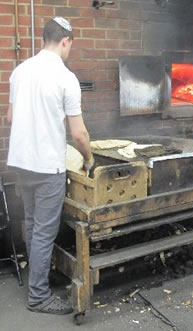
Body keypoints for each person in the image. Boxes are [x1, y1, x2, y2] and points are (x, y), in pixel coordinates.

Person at [7, 17, 94, 315]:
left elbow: (9, 118)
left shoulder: (19, 72)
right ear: (65, 40)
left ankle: (37, 279)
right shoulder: (65, 77)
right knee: (44, 232)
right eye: (70, 44)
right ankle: (39, 296)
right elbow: (79, 134)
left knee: (32, 226)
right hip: (47, 167)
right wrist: (89, 159)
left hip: (21, 163)